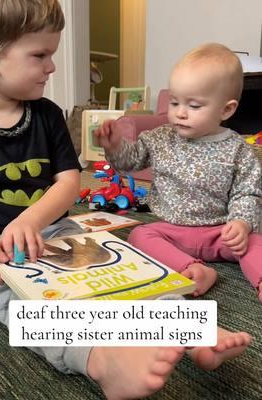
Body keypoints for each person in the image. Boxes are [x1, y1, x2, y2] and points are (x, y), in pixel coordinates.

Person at [0, 3, 252, 398]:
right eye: (40, 55)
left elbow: (67, 183)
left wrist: (31, 220)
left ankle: (189, 329)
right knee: (25, 307)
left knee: (124, 271)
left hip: (59, 229)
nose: (52, 67)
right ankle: (99, 358)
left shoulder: (46, 114)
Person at [95, 42, 262, 306]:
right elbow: (130, 162)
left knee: (255, 242)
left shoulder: (237, 149)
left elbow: (248, 192)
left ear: (226, 109)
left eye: (194, 106)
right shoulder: (160, 137)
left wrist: (241, 224)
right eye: (174, 102)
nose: (180, 113)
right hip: (171, 232)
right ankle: (193, 270)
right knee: (139, 235)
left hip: (221, 233)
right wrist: (115, 146)